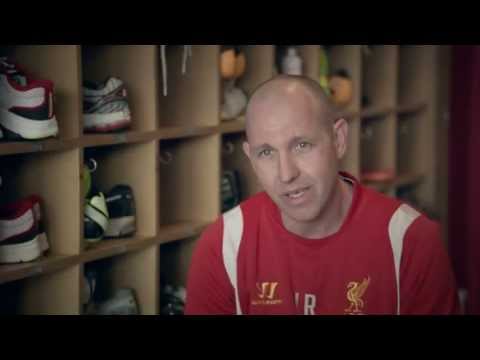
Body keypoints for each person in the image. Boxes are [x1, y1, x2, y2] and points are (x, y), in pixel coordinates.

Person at [185, 75, 460, 315]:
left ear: (338, 140)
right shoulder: (224, 244)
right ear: (250, 158)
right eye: (266, 152)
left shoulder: (412, 241)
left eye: (302, 145)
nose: (286, 174)